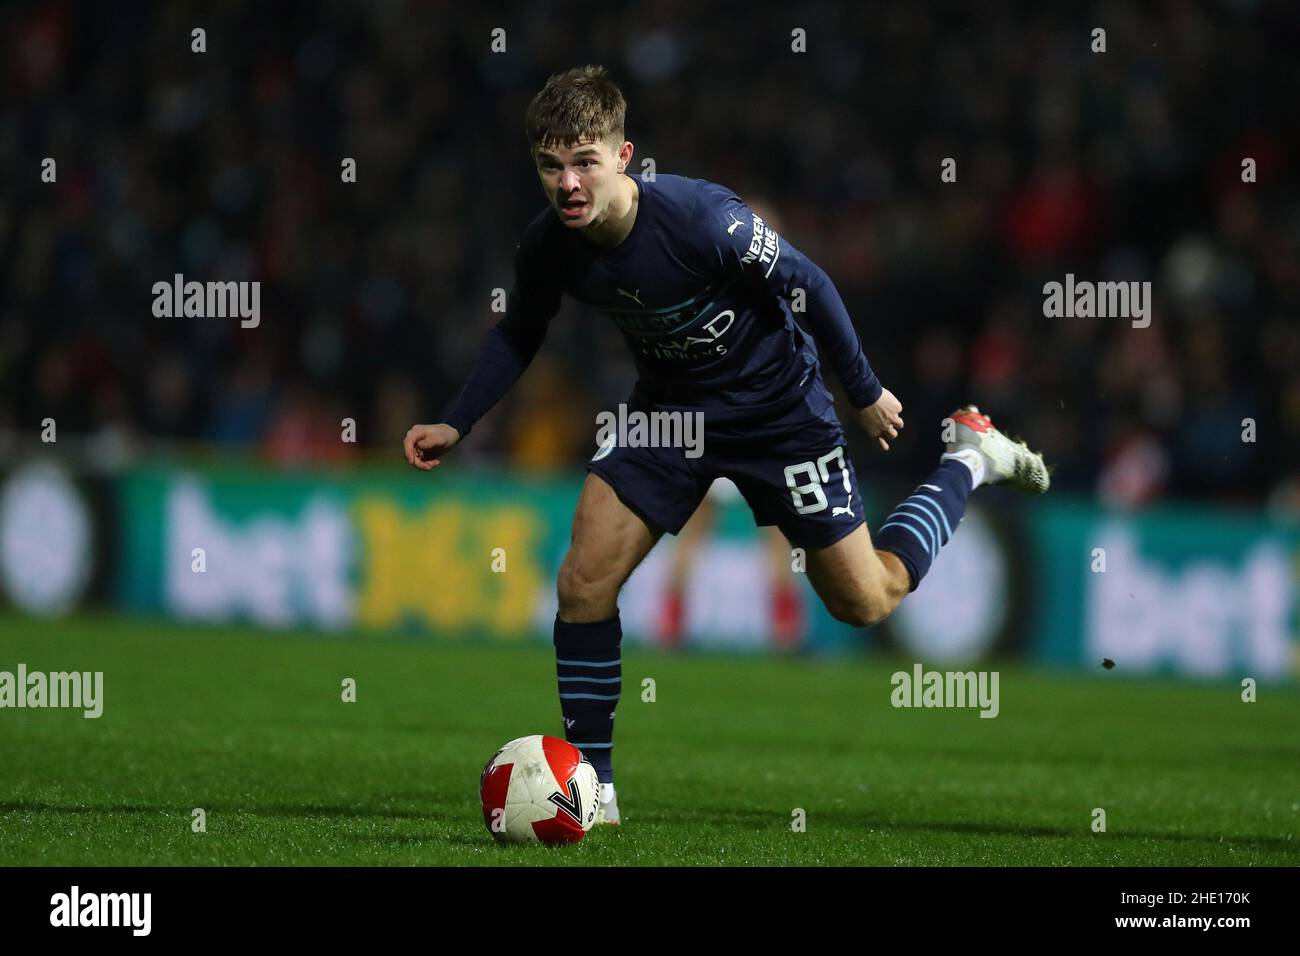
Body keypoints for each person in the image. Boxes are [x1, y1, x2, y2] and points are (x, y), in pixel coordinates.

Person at [404, 65, 1049, 826]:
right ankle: (596, 791)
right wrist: (458, 420)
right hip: (669, 419)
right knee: (582, 581)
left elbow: (808, 281)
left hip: (781, 416)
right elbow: (520, 331)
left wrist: (865, 389)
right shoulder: (550, 247)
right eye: (551, 166)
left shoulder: (701, 219)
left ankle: (968, 459)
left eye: (584, 161)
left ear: (621, 154)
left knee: (866, 599)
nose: (568, 183)